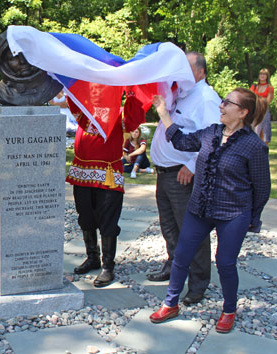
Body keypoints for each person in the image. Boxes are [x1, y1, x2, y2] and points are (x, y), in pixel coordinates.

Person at [149, 88, 270, 333]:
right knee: (182, 256)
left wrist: (252, 218)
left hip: (233, 213)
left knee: (225, 263)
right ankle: (170, 303)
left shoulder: (253, 146)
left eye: (227, 103)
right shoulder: (211, 132)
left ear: (243, 112)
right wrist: (163, 113)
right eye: (223, 101)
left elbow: (262, 188)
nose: (221, 106)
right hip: (200, 208)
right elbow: (181, 140)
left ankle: (229, 309)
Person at [147, 52, 221, 305]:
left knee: (191, 231)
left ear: (201, 71)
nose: (179, 73)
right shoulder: (181, 94)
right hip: (164, 172)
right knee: (169, 227)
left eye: (186, 68)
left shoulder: (206, 98)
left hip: (183, 174)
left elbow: (215, 137)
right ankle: (174, 267)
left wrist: (192, 165)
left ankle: (198, 283)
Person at [67, 85, 144, 288]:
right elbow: (72, 99)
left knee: (108, 220)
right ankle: (92, 257)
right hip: (82, 173)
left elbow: (134, 119)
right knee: (85, 217)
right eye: (93, 89)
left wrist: (131, 92)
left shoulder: (119, 114)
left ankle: (108, 266)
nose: (96, 93)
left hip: (108, 174)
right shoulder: (85, 112)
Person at [250, 68, 274, 144]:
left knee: (264, 133)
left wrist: (259, 102)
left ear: (267, 76)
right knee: (254, 131)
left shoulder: (269, 87)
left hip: (264, 111)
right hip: (254, 110)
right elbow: (250, 98)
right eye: (261, 74)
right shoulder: (254, 86)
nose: (262, 76)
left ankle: (264, 151)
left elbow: (268, 101)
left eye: (264, 74)